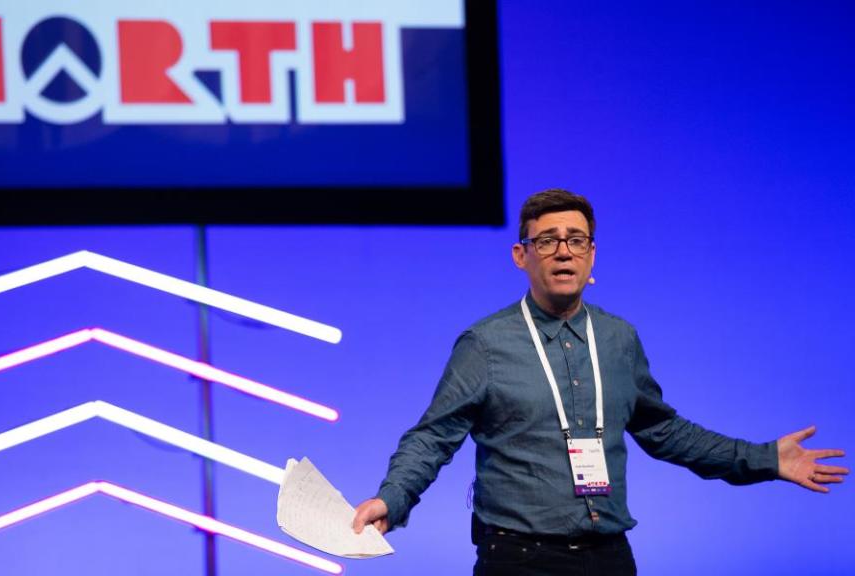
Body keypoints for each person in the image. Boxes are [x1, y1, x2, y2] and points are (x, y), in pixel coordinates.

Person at [352, 189, 848, 575]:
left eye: (576, 240)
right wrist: (393, 498)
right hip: (519, 560)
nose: (563, 251)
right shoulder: (484, 345)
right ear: (521, 256)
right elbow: (433, 436)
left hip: (609, 556)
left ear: (592, 257)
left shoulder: (618, 339)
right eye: (546, 240)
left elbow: (664, 431)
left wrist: (764, 458)